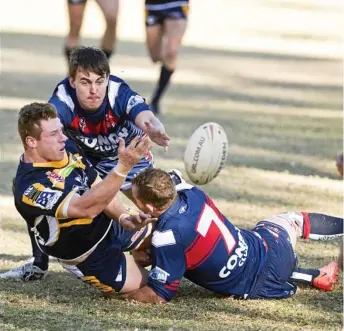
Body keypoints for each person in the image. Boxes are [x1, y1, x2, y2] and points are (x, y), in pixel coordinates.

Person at [0, 46, 170, 281]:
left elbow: (144, 115)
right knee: (34, 190)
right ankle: (39, 263)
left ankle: (171, 256)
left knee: (159, 210)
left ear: (107, 79)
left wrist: (154, 127)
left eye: (100, 81)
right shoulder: (62, 101)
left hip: (130, 160)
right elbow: (42, 140)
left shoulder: (117, 91)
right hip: (88, 161)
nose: (94, 90)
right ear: (72, 81)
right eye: (85, 82)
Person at [117, 168, 342, 303]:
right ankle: (315, 273)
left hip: (262, 284)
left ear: (148, 206)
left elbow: (159, 295)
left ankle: (312, 275)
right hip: (268, 245)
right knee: (292, 220)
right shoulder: (192, 193)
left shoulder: (167, 237)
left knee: (145, 255)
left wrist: (122, 297)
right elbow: (175, 177)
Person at [2, 102, 157, 295]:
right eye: (53, 134)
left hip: (109, 225)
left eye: (61, 130)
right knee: (153, 286)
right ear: (31, 142)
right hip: (89, 255)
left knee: (167, 238)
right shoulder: (30, 188)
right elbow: (86, 209)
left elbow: (97, 187)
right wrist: (123, 167)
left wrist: (123, 218)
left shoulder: (67, 147)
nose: (62, 138)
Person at [144, 0, 190, 114]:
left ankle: (155, 100)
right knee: (155, 57)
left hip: (177, 4)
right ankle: (166, 65)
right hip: (153, 5)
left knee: (171, 53)